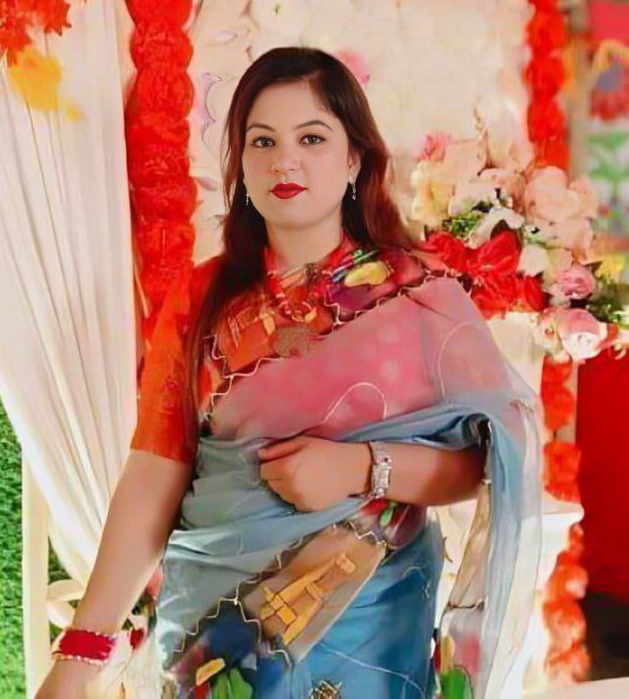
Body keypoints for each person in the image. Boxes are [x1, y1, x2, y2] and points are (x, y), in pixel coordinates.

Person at [36, 47, 542, 699]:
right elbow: (153, 475)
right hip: (211, 642)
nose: (285, 161)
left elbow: (489, 460)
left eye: (311, 138)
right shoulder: (202, 302)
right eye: (262, 141)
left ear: (355, 159)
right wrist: (78, 658)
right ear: (241, 166)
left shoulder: (420, 297)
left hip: (368, 635)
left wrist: (364, 467)